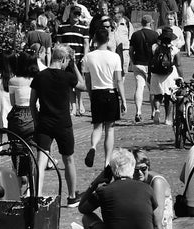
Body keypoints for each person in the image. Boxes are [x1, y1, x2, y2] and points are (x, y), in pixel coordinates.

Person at [31, 45, 79, 204]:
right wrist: (75, 66)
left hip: (44, 122)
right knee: (69, 159)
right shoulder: (67, 77)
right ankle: (72, 196)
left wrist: (37, 120)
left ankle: (36, 195)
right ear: (64, 59)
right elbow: (83, 86)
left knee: (41, 161)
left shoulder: (39, 76)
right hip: (63, 123)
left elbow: (32, 103)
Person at [81, 35, 124, 170]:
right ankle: (106, 162)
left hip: (96, 93)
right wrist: (123, 99)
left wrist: (90, 93)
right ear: (107, 41)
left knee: (97, 127)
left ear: (95, 41)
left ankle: (93, 147)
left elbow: (87, 80)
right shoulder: (115, 57)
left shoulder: (89, 57)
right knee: (109, 129)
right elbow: (118, 80)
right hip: (111, 93)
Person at [127, 15, 160, 123]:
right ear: (150, 23)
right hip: (151, 66)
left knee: (139, 88)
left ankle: (138, 112)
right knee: (152, 90)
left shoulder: (135, 35)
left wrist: (132, 61)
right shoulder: (155, 35)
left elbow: (131, 50)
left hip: (138, 64)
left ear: (142, 23)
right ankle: (153, 112)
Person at [147, 26, 181, 124]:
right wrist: (180, 76)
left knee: (157, 95)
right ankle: (167, 118)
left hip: (156, 74)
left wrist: (149, 74)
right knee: (168, 97)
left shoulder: (154, 47)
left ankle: (157, 110)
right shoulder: (174, 49)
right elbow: (178, 64)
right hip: (169, 75)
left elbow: (150, 61)